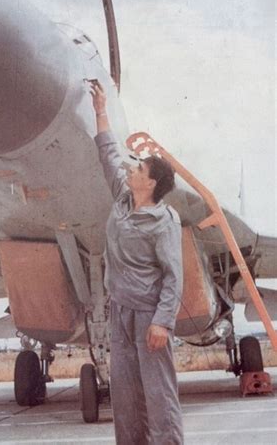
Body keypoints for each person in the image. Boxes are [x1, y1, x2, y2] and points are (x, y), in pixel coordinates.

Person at [90, 81, 184, 445]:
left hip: (149, 317)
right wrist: (100, 111)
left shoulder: (164, 221)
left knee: (159, 396)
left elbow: (173, 277)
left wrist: (162, 322)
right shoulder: (122, 198)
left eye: (138, 170)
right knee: (125, 397)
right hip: (121, 313)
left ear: (151, 183)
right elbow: (109, 153)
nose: (130, 170)